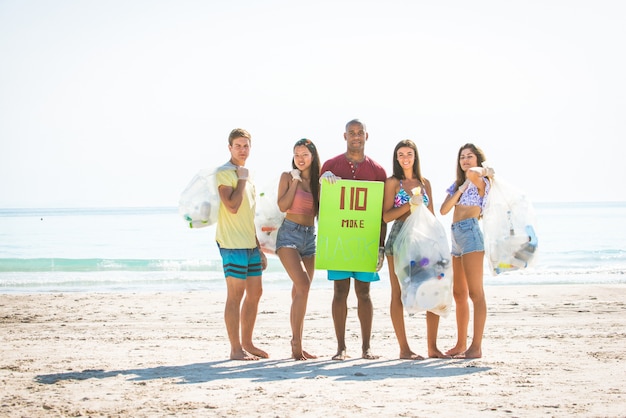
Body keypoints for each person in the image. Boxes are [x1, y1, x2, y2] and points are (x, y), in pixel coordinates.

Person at [320, 119, 387, 360]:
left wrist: (381, 246)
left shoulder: (378, 171)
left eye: (360, 133)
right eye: (351, 133)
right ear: (344, 136)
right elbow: (322, 207)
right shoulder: (330, 165)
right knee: (339, 291)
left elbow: (381, 214)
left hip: (365, 240)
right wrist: (322, 180)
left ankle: (366, 347)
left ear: (366, 136)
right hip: (339, 240)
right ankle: (340, 347)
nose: (356, 136)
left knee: (364, 293)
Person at [382, 139, 447, 359]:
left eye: (408, 153)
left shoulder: (425, 182)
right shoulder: (392, 182)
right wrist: (407, 205)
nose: (405, 158)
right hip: (399, 240)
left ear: (415, 156)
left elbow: (432, 215)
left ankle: (432, 347)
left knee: (432, 288)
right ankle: (404, 348)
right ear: (396, 158)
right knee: (398, 292)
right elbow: (386, 216)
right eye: (400, 154)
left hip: (423, 241)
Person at [216, 128, 268, 361]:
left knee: (255, 292)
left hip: (248, 243)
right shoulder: (225, 173)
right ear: (229, 147)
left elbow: (248, 214)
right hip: (231, 243)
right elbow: (232, 206)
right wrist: (242, 178)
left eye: (245, 145)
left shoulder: (249, 177)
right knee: (235, 295)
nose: (242, 149)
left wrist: (258, 246)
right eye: (237, 145)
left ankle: (247, 342)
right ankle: (235, 349)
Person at [439, 143, 493, 359]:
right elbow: (444, 209)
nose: (465, 160)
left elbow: (472, 173)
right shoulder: (458, 185)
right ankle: (461, 344)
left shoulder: (482, 180)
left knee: (475, 293)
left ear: (478, 160)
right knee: (459, 294)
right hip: (455, 235)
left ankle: (476, 346)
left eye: (470, 156)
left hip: (471, 233)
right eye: (462, 157)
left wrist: (485, 169)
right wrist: (460, 188)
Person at [275, 138, 322, 360]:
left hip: (309, 238)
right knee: (303, 286)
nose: (300, 159)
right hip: (289, 235)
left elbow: (327, 213)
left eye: (304, 154)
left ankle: (298, 342)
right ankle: (296, 343)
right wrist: (294, 181)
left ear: (312, 156)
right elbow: (283, 206)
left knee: (300, 291)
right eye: (296, 155)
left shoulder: (318, 182)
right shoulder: (287, 176)